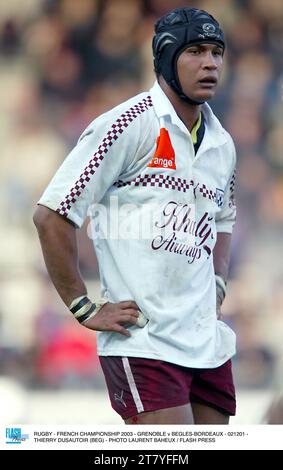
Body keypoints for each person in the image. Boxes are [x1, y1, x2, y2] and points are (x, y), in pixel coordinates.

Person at [34, 7, 237, 424]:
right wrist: (84, 308)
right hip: (145, 343)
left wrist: (216, 284)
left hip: (208, 343)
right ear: (165, 57)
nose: (211, 63)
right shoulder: (128, 124)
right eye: (196, 51)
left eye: (217, 52)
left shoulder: (223, 143)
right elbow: (51, 215)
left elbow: (223, 221)